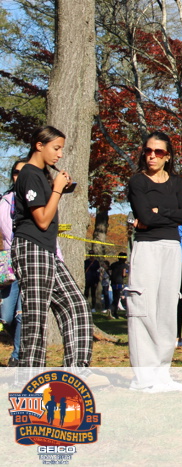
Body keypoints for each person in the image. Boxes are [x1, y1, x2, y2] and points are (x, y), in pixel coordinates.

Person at [10, 128, 100, 382]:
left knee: (76, 306)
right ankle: (29, 381)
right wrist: (57, 189)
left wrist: (59, 187)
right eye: (56, 148)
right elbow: (41, 220)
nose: (60, 154)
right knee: (36, 318)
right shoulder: (29, 173)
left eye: (61, 149)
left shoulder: (40, 175)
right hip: (32, 248)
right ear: (39, 145)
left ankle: (76, 372)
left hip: (46, 251)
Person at [126, 131, 182, 392]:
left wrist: (159, 212)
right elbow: (145, 216)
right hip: (147, 247)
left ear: (168, 156)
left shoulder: (176, 182)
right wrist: (164, 215)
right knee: (143, 308)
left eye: (159, 152)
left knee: (167, 309)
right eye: (148, 150)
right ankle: (143, 378)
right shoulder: (137, 182)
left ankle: (162, 373)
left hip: (172, 247)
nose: (152, 156)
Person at [1, 159, 28, 367]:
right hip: (8, 265)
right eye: (16, 172)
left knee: (21, 315)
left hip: (30, 261)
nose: (19, 176)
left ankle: (17, 357)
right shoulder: (4, 201)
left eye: (24, 172)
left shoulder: (37, 200)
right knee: (6, 316)